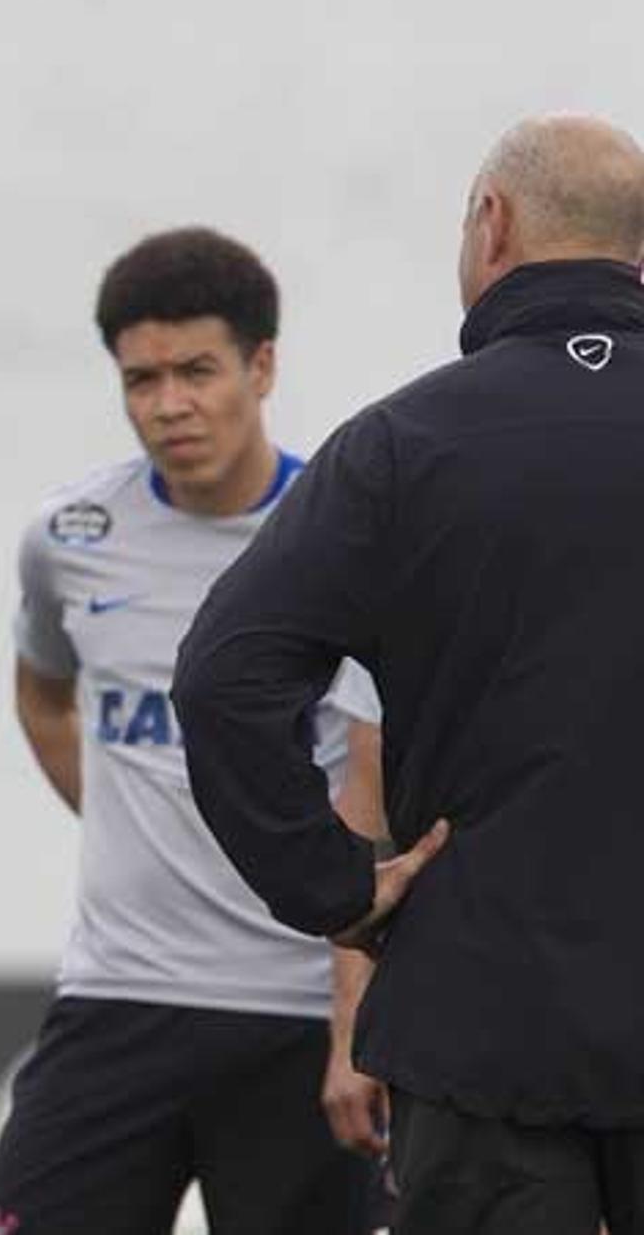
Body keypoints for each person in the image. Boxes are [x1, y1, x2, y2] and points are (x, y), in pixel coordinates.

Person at [173, 114, 644, 1234]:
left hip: (485, 1025)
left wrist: (330, 883)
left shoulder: (404, 445)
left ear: (494, 225)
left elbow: (225, 676)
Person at [0, 227, 384, 1234]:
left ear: (262, 364)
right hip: (120, 992)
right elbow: (43, 694)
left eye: (198, 370)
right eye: (142, 377)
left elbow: (371, 785)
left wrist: (353, 1020)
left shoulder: (349, 538)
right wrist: (126, 813)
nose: (170, 404)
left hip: (294, 1010)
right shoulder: (72, 536)